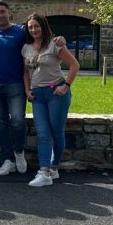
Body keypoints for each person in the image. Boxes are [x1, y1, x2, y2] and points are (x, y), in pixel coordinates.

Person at [0, 0, 65, 177]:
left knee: (18, 121)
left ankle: (19, 153)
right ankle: (8, 160)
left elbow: (40, 36)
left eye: (2, 12)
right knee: (0, 124)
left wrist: (60, 39)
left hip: (15, 84)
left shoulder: (21, 32)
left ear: (9, 13)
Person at [23, 13, 78, 187]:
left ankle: (54, 167)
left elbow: (74, 65)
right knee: (43, 133)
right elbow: (25, 72)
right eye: (30, 27)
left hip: (56, 93)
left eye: (37, 26)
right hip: (37, 96)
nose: (34, 30)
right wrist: (27, 90)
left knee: (56, 131)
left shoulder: (55, 44)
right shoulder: (26, 48)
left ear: (43, 26)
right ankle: (44, 171)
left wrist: (66, 85)